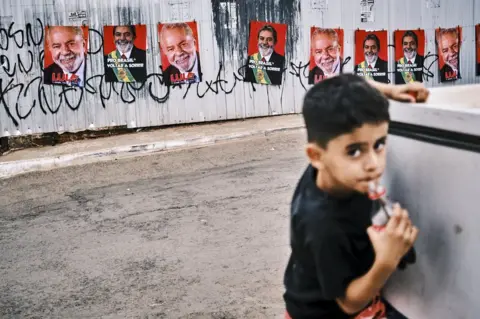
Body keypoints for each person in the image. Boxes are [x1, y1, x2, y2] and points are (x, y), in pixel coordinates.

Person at [283, 74, 429, 319]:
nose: (373, 164)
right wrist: (387, 260)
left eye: (379, 144)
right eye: (354, 151)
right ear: (316, 156)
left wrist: (391, 91)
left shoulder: (333, 168)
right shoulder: (322, 224)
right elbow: (349, 303)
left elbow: (340, 82)